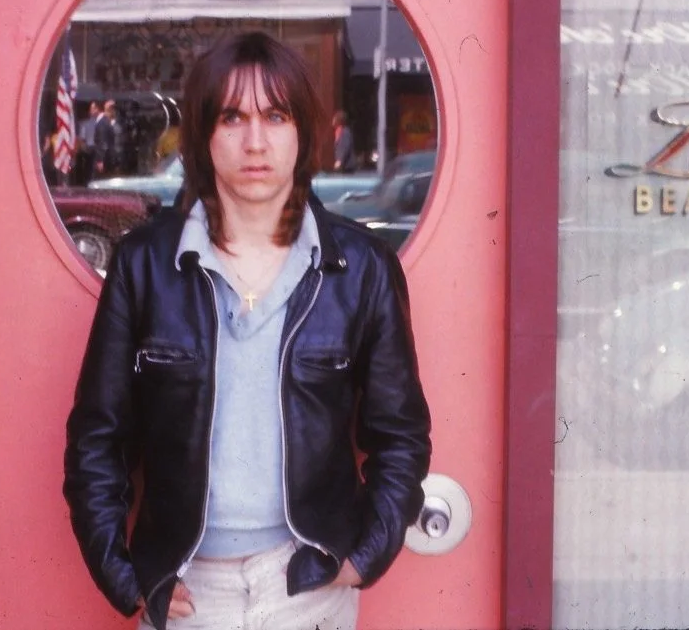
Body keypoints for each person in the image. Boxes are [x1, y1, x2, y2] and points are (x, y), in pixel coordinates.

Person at [64, 31, 431, 630]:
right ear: (203, 135)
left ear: (303, 131)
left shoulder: (362, 268)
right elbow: (96, 440)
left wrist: (367, 555)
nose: (255, 141)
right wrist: (124, 577)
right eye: (232, 117)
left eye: (276, 116)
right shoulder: (145, 266)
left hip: (309, 583)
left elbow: (401, 434)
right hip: (188, 588)